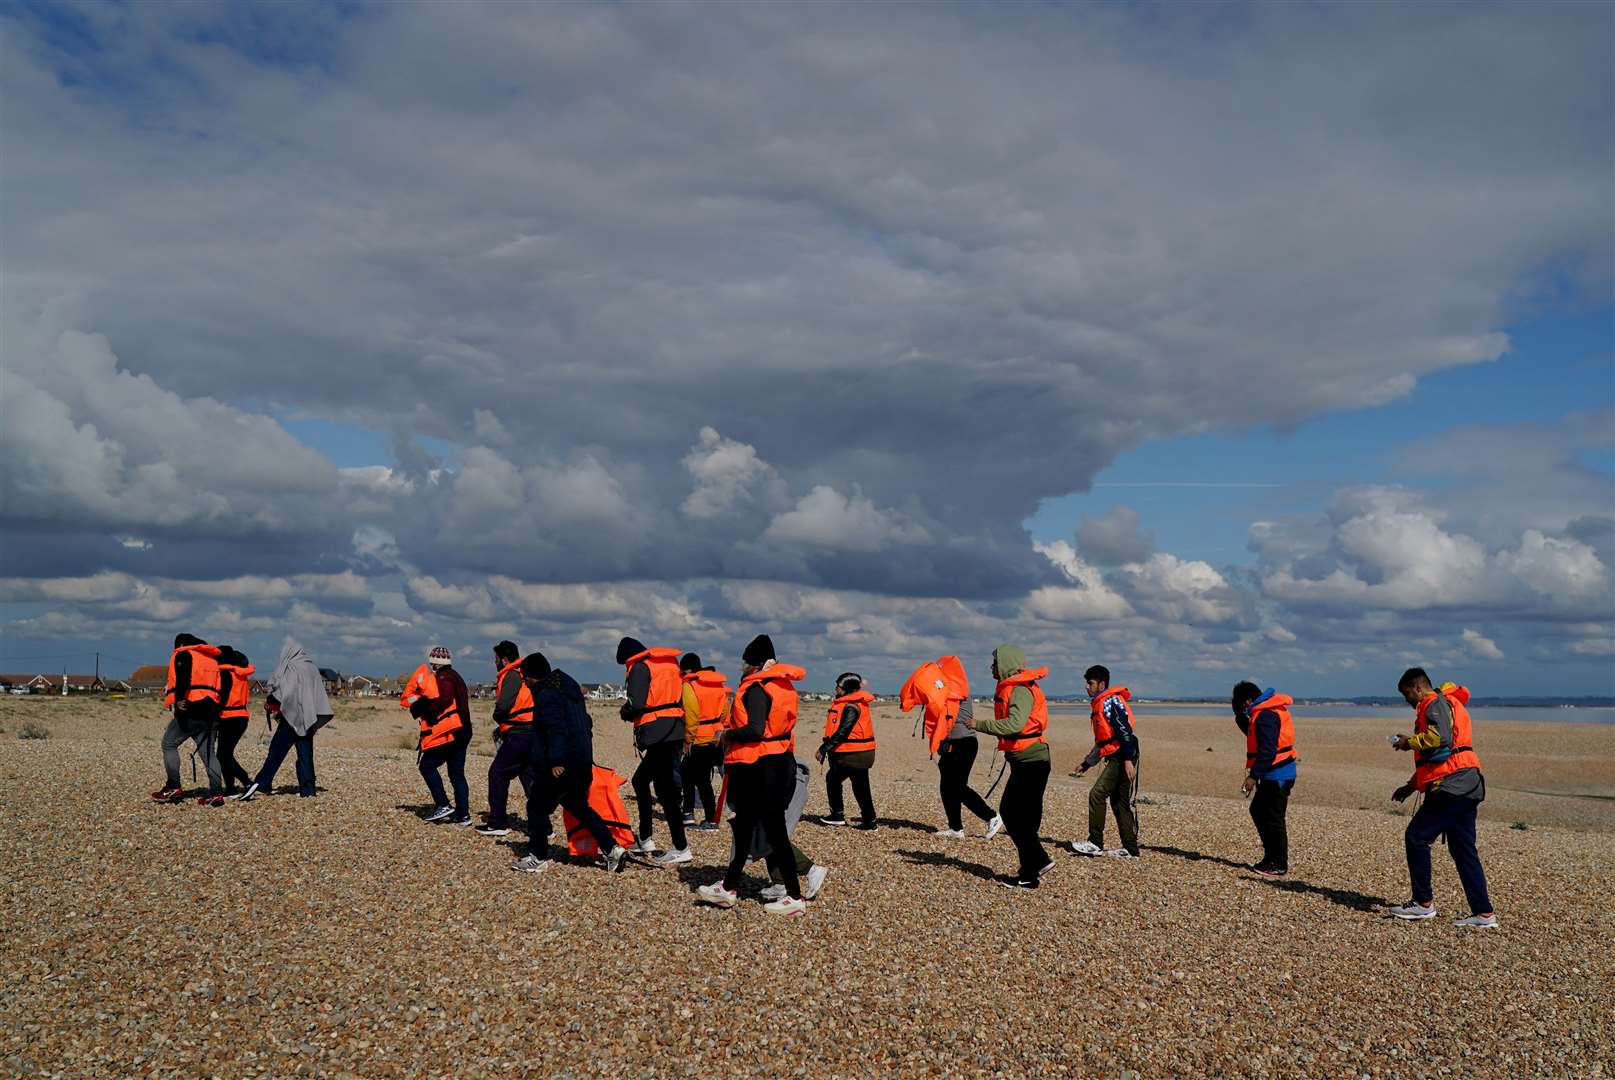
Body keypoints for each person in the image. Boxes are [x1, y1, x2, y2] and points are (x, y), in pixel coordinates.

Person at [697, 634, 810, 915]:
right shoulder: (779, 686)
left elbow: (757, 729)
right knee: (745, 825)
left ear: (756, 664)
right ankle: (729, 887)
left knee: (774, 831)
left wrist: (725, 735)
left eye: (745, 662)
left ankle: (794, 897)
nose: (742, 667)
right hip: (775, 762)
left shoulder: (758, 688)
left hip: (763, 767)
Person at [1388, 669, 1498, 929]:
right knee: (1463, 850)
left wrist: (1409, 742)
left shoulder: (1433, 704)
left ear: (1417, 688)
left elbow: (1441, 739)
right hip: (1469, 785)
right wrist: (1410, 786)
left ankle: (1423, 904)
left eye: (1406, 694)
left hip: (1451, 787)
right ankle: (1484, 914)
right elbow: (1441, 757)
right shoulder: (1448, 703)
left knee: (1416, 836)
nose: (1407, 700)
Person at [511, 652, 629, 874]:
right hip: (581, 761)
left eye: (524, 679)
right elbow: (586, 723)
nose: (524, 684)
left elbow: (557, 729)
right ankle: (613, 849)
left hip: (562, 765)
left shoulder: (547, 695)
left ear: (531, 677)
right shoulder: (569, 689)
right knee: (579, 807)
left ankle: (537, 856)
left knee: (536, 806)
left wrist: (556, 760)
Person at [963, 644, 1053, 889]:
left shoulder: (1020, 690)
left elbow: (1014, 725)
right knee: (1027, 819)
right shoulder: (1016, 687)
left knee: (1011, 813)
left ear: (1005, 665)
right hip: (1028, 760)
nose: (991, 667)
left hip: (1031, 761)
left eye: (994, 663)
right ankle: (1028, 875)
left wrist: (977, 724)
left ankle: (1040, 860)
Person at [900, 656, 1001, 840]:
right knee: (946, 787)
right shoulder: (946, 689)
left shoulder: (956, 689)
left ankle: (992, 817)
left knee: (957, 787)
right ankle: (955, 828)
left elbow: (933, 696)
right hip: (951, 744)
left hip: (964, 744)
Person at [616, 637, 691, 866]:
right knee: (648, 783)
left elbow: (637, 703)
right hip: (674, 730)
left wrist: (625, 712)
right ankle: (646, 838)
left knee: (662, 790)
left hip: (659, 734)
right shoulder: (668, 665)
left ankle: (680, 847)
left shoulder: (640, 667)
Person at [235, 638, 330, 800]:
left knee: (276, 751)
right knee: (305, 753)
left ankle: (263, 782)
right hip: (307, 717)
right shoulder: (312, 668)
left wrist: (271, 702)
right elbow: (316, 693)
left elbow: (287, 690)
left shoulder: (291, 667)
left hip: (291, 716)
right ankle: (308, 789)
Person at [1068, 664, 1140, 859]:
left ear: (1101, 684)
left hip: (1122, 756)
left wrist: (1127, 760)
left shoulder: (1110, 702)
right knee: (1119, 803)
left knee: (1097, 794)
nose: (1086, 687)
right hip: (1122, 754)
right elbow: (1103, 742)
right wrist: (1086, 764)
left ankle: (1095, 843)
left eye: (1090, 683)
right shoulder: (1102, 703)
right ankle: (1130, 849)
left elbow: (1124, 731)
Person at [151, 633, 226, 805]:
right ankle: (216, 793)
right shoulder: (212, 660)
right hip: (211, 712)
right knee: (209, 754)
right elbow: (220, 688)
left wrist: (179, 699)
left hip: (191, 708)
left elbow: (183, 678)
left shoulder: (185, 654)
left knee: (169, 744)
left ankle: (173, 786)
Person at [1232, 681, 1297, 878]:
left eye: (1240, 703)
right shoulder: (1261, 713)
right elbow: (1254, 736)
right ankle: (1271, 858)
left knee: (1273, 818)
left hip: (1278, 774)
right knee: (1259, 811)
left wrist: (1253, 777)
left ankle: (1278, 863)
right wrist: (1238, 716)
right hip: (1273, 773)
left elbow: (1268, 752)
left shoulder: (1266, 716)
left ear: (1248, 700)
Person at [477, 640, 536, 837]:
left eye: (495, 659)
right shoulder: (524, 673)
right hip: (530, 732)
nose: (494, 662)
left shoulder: (511, 675)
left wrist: (498, 718)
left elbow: (504, 705)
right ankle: (543, 827)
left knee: (497, 774)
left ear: (504, 659)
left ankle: (498, 822)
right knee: (528, 778)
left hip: (518, 734)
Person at [414, 646, 473, 825]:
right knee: (456, 774)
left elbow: (444, 700)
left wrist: (421, 707)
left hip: (450, 733)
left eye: (432, 661)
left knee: (427, 766)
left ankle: (443, 804)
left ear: (435, 662)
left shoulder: (444, 677)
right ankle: (463, 814)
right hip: (462, 731)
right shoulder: (456, 676)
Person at [817, 672, 878, 829]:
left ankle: (838, 815)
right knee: (858, 786)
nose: (836, 688)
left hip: (854, 754)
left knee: (837, 780)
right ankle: (869, 821)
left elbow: (843, 731)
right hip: (860, 753)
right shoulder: (853, 703)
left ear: (848, 689)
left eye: (839, 686)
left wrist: (824, 748)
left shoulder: (851, 706)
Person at [679, 653, 728, 830]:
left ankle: (708, 818)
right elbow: (724, 711)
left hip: (698, 738)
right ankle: (692, 814)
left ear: (688, 670)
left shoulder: (690, 686)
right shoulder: (718, 685)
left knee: (697, 779)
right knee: (694, 775)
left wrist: (687, 739)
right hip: (715, 737)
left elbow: (691, 715)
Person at [215, 646, 256, 796]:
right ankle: (231, 788)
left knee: (223, 755)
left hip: (229, 717)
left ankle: (247, 782)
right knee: (225, 754)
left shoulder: (225, 673)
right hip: (242, 716)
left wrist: (214, 712)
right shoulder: (240, 673)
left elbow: (223, 697)